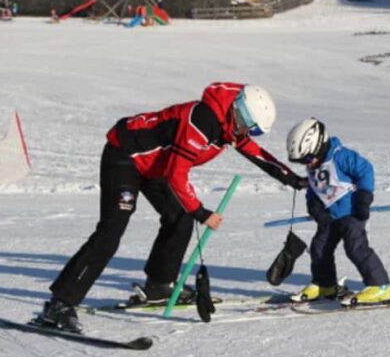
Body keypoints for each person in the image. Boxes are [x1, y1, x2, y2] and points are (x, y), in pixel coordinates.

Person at [40, 83, 307, 332]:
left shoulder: (230, 125)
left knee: (178, 217)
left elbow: (255, 153)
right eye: (248, 127)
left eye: (253, 130)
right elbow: (178, 175)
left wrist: (291, 178)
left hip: (156, 167)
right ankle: (59, 304)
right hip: (126, 155)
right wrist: (201, 212)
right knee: (111, 232)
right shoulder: (203, 121)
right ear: (239, 112)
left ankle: (159, 285)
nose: (247, 134)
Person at [285, 118, 390, 305]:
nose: (308, 164)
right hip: (329, 218)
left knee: (355, 248)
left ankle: (380, 286)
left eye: (308, 159)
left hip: (352, 214)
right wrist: (315, 208)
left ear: (318, 146)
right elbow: (313, 188)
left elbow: (366, 170)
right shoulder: (314, 167)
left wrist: (364, 199)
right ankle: (325, 284)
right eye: (303, 162)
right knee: (319, 248)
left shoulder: (341, 156)